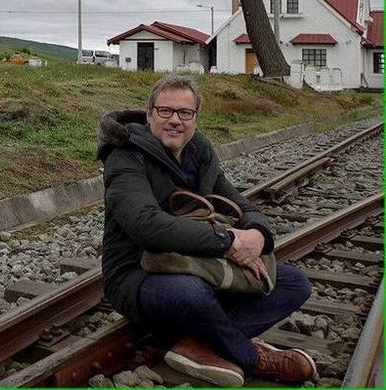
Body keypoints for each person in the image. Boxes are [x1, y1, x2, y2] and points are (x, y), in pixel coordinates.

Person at [97, 75, 317, 387]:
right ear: (149, 114)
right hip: (139, 274)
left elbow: (241, 205)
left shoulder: (198, 151)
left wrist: (257, 235)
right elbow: (147, 226)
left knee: (294, 283)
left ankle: (195, 345)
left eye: (185, 113)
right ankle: (254, 358)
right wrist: (228, 243)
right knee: (191, 294)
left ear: (196, 119)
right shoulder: (124, 156)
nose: (175, 120)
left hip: (200, 265)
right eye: (165, 111)